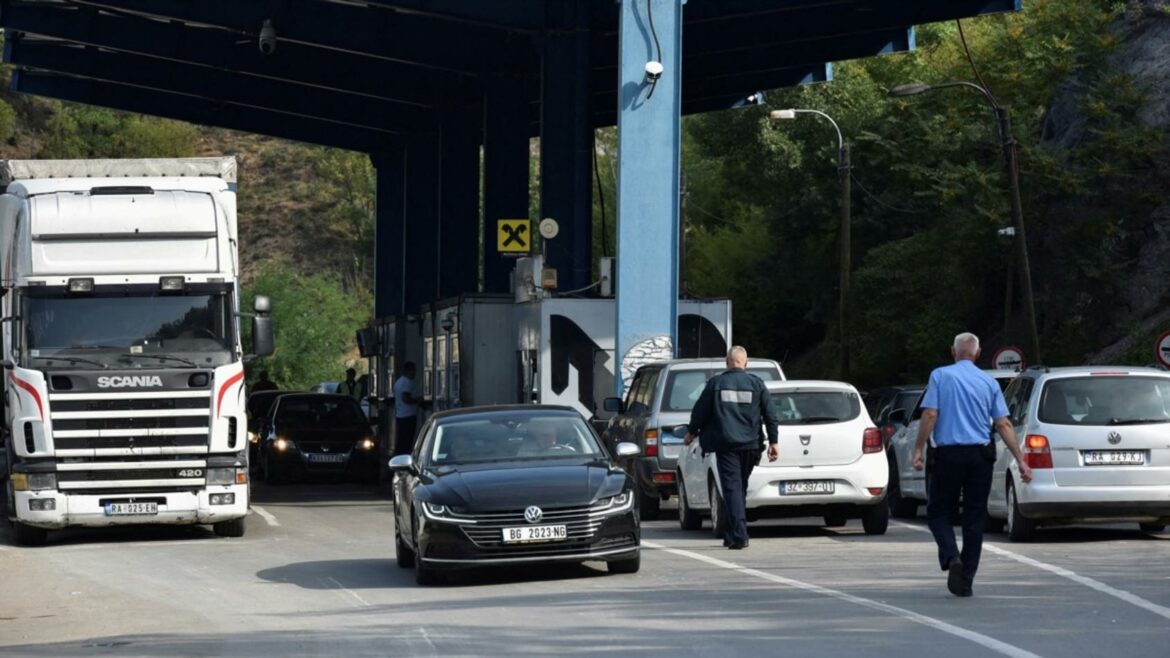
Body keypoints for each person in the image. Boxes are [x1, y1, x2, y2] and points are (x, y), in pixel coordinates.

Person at [912, 332, 1033, 597]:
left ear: (953, 352)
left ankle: (951, 556)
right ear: (977, 354)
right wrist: (1021, 460)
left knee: (938, 512)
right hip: (980, 458)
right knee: (974, 517)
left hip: (948, 456)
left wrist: (918, 448)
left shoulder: (940, 376)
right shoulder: (988, 383)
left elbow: (931, 413)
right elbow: (1003, 423)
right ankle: (965, 580)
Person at [683, 346, 780, 550]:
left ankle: (739, 534)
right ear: (746, 363)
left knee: (733, 489)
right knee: (739, 488)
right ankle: (731, 533)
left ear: (727, 362)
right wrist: (773, 442)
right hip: (751, 445)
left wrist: (691, 432)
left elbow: (700, 411)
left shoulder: (716, 384)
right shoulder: (757, 383)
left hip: (726, 444)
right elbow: (770, 414)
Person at [393, 362, 421, 456]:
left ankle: (398, 457)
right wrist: (417, 401)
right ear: (409, 370)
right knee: (406, 440)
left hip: (400, 414)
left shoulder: (399, 381)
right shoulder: (407, 382)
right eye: (414, 370)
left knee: (401, 439)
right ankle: (403, 459)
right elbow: (405, 398)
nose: (415, 373)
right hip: (408, 415)